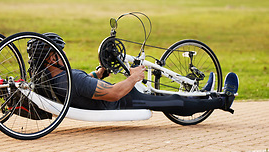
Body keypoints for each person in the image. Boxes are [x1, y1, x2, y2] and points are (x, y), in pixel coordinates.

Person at [32, 33, 239, 116]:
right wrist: (133, 77)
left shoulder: (52, 80)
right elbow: (113, 93)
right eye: (59, 51)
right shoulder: (72, 80)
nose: (63, 54)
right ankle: (222, 101)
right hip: (122, 101)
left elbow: (87, 86)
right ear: (51, 58)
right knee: (171, 101)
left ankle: (202, 94)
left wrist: (99, 73)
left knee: (166, 98)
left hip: (107, 100)